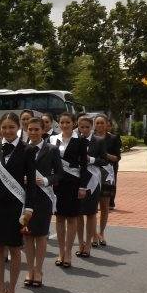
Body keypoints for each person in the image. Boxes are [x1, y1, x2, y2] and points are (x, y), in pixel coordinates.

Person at [0, 113, 27, 293]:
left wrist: (29, 208)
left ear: (18, 127)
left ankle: (11, 289)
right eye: (4, 127)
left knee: (14, 249)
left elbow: (32, 184)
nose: (7, 131)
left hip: (15, 206)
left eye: (11, 127)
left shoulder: (26, 149)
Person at [22, 116, 63, 288]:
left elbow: (59, 174)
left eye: (36, 129)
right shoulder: (22, 149)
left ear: (43, 130)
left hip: (43, 197)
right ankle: (30, 269)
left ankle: (38, 270)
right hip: (25, 197)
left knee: (41, 235)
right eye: (30, 129)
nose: (33, 132)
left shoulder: (52, 149)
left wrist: (46, 181)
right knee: (27, 235)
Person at [51, 112, 88, 269]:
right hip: (58, 184)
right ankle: (61, 252)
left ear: (73, 124)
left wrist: (83, 186)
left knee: (72, 219)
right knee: (59, 218)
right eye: (62, 122)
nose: (64, 125)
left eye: (67, 122)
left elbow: (84, 165)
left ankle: (68, 253)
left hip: (73, 184)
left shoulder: (80, 141)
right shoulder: (53, 139)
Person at [76, 115, 104, 258]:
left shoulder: (98, 141)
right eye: (82, 127)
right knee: (79, 214)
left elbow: (104, 160)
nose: (85, 129)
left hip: (92, 180)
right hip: (78, 179)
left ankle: (88, 244)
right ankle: (80, 242)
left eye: (87, 127)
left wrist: (91, 159)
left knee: (91, 213)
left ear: (92, 127)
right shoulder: (74, 140)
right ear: (78, 126)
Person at [94, 114, 121, 246]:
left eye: (101, 123)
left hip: (107, 175)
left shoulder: (113, 138)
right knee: (91, 207)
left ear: (107, 124)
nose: (99, 125)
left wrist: (104, 155)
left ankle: (102, 232)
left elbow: (117, 158)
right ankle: (93, 234)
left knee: (104, 206)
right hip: (92, 175)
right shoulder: (89, 137)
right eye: (97, 123)